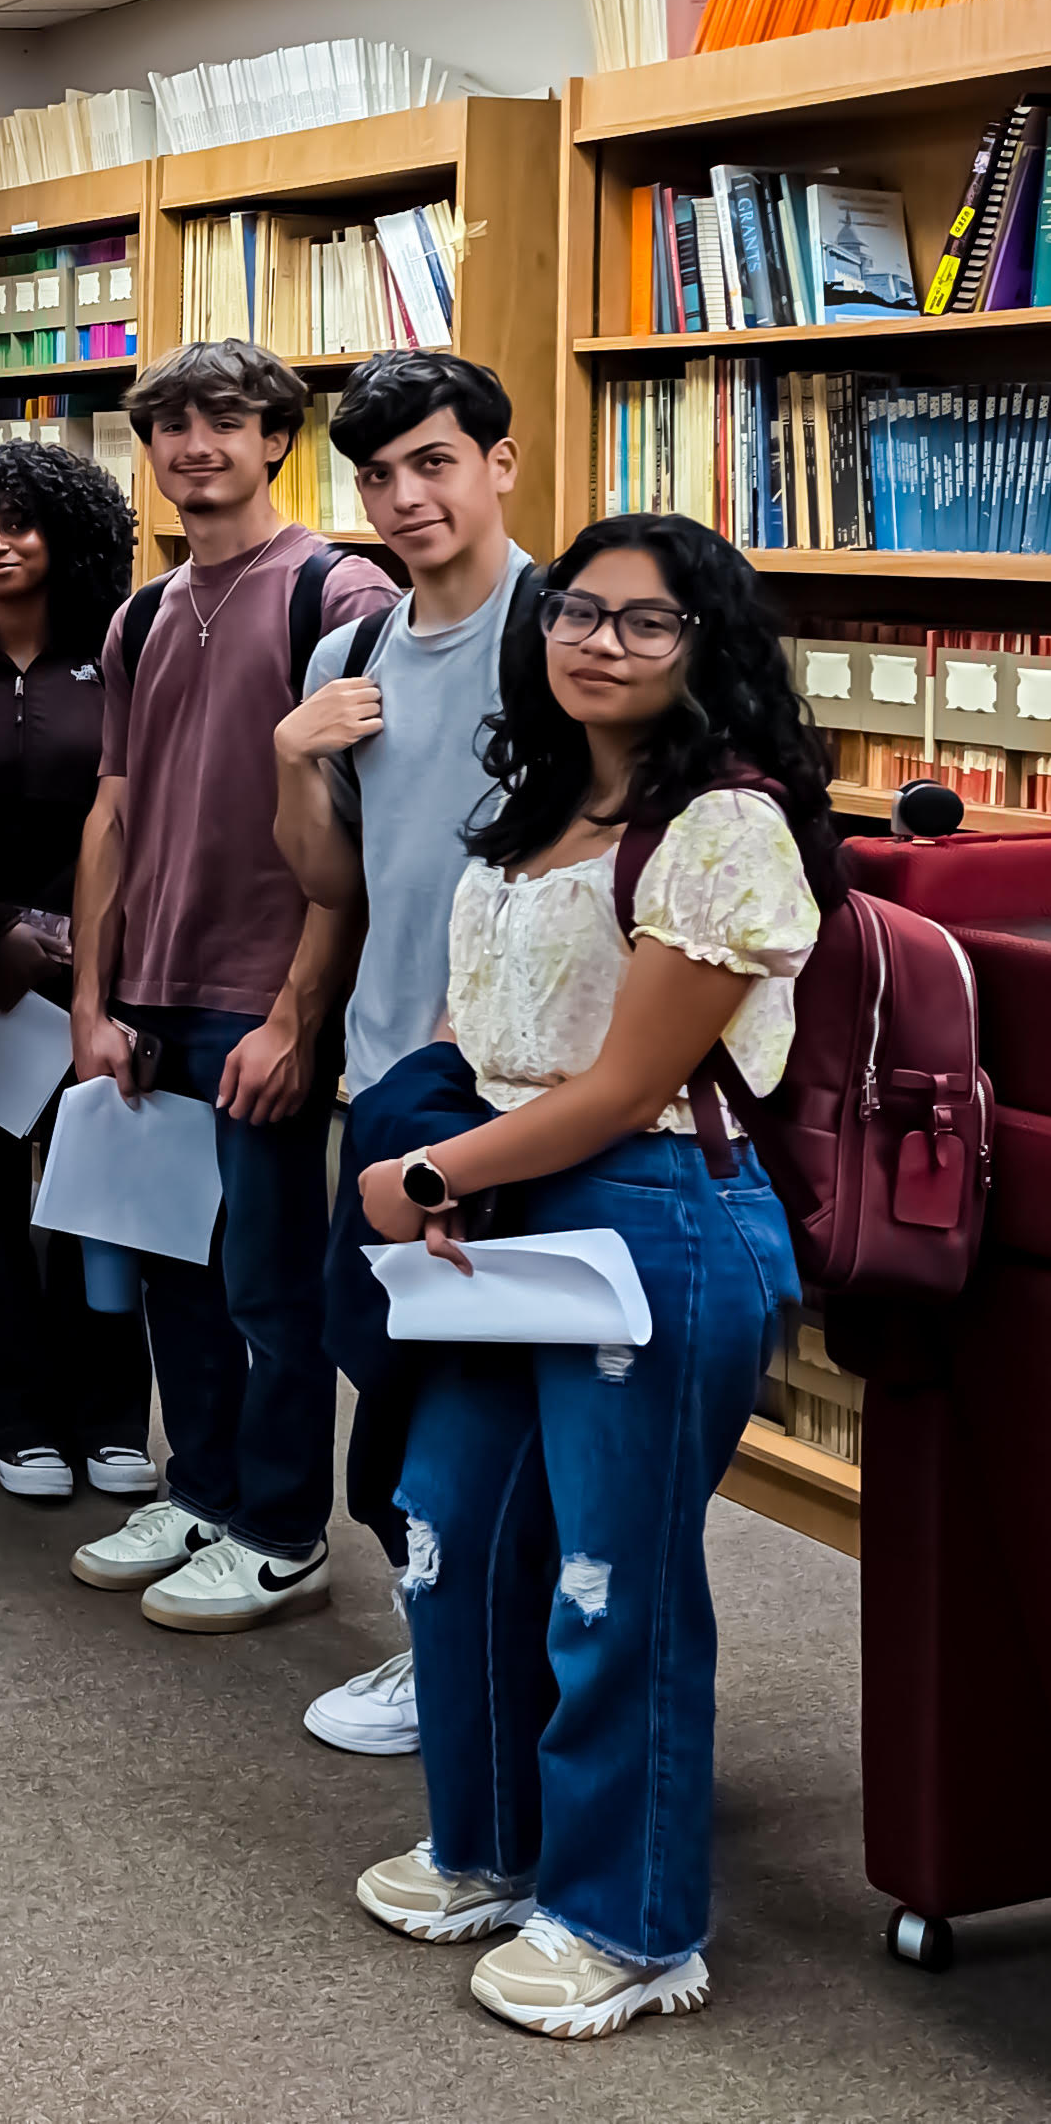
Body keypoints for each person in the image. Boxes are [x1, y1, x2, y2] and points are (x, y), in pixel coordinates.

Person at [347, 513, 826, 2039]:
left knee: (606, 1576)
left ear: (707, 650)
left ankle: (628, 1918)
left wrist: (424, 1176)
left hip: (654, 1213)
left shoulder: (722, 829)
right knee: (445, 1522)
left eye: (643, 621)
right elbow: (482, 1032)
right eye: (576, 611)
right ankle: (489, 1840)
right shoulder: (535, 800)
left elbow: (626, 1086)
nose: (597, 641)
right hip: (509, 1205)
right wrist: (449, 1171)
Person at [67, 341, 397, 1632]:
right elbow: (111, 813)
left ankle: (277, 1525)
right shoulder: (140, 610)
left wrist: (293, 1015)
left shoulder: (335, 587)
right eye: (167, 428)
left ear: (275, 438)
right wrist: (94, 998)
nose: (192, 446)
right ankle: (195, 1486)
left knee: (267, 1277)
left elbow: (359, 832)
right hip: (148, 990)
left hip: (260, 997)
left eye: (222, 421)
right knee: (172, 1268)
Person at [270, 349, 534, 1756]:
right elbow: (330, 876)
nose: (404, 495)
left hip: (517, 1084)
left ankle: (473, 1655)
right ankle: (451, 1635)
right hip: (385, 1073)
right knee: (380, 1364)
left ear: (497, 461)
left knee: (480, 1401)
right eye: (376, 474)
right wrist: (288, 751)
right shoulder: (350, 650)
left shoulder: (563, 631)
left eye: (433, 461)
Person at [0, 438, 155, 1505]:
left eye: (20, 525)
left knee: (104, 1194)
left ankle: (108, 1414)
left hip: (102, 959)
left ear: (68, 535)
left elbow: (143, 805)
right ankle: (10, 1412)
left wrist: (64, 932)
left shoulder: (124, 649)